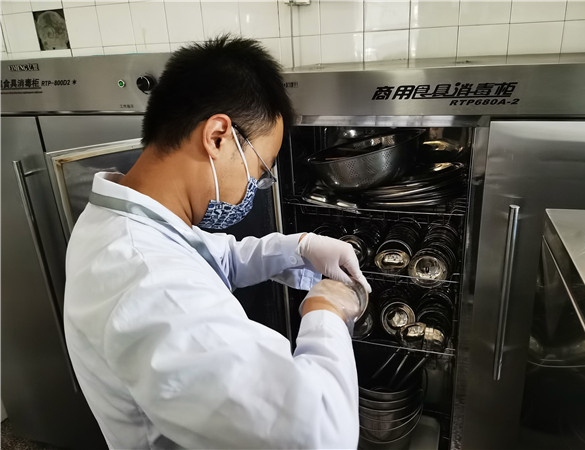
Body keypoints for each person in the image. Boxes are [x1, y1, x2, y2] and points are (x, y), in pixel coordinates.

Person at [64, 36, 371, 450]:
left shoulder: (128, 218)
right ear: (217, 137)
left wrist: (299, 246)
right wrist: (324, 311)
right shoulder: (150, 284)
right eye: (260, 171)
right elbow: (320, 435)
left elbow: (213, 257)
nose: (253, 188)